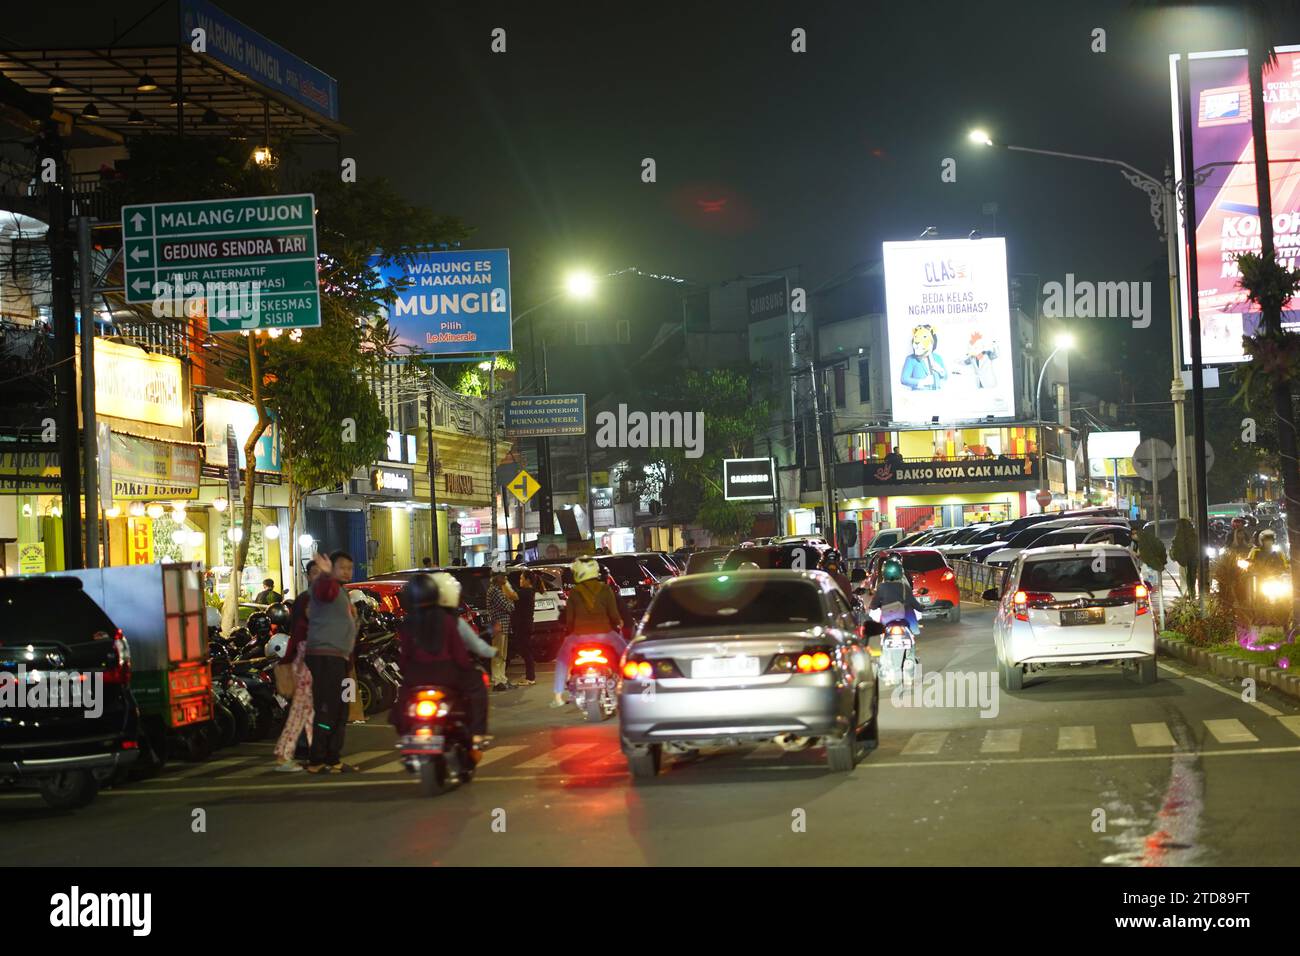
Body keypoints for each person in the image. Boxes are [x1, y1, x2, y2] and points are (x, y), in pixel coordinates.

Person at [392, 573, 491, 746]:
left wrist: (408, 676)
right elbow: (459, 654)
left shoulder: (407, 623)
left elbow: (404, 657)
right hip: (446, 674)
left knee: (401, 703)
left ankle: (405, 736)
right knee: (478, 686)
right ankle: (477, 733)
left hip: (416, 676)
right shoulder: (447, 620)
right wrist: (467, 669)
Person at [305, 550, 359, 774]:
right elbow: (325, 592)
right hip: (325, 657)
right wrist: (327, 575)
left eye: (349, 567)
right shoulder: (324, 587)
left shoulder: (342, 591)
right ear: (331, 568)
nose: (347, 571)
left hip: (340, 658)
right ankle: (317, 759)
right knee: (327, 709)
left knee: (340, 709)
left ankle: (332, 758)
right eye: (342, 567)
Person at [552, 555, 626, 708]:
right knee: (626, 654)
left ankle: (558, 695)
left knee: (562, 659)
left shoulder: (574, 593)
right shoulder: (605, 589)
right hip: (605, 635)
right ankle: (628, 685)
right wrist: (618, 623)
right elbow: (613, 614)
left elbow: (570, 619)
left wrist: (570, 632)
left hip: (579, 637)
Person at [273, 562, 320, 772]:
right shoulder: (305, 603)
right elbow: (296, 638)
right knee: (301, 710)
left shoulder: (322, 599)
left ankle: (314, 752)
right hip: (304, 664)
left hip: (311, 661)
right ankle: (286, 754)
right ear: (308, 575)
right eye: (314, 573)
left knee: (307, 710)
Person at [870, 556, 923, 632]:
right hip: (906, 617)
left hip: (887, 617)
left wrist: (873, 607)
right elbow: (913, 602)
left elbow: (874, 604)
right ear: (900, 572)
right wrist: (920, 608)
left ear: (884, 572)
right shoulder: (905, 586)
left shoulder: (881, 587)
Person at [485, 572, 516, 691]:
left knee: (503, 654)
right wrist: (510, 601)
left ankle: (502, 678)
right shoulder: (495, 591)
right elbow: (509, 607)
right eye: (503, 576)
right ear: (497, 578)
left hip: (503, 625)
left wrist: (509, 601)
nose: (506, 578)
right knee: (498, 654)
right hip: (498, 625)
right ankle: (497, 680)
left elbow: (509, 605)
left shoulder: (498, 590)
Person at [510, 570, 540, 686]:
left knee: (526, 651)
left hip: (524, 625)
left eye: (522, 579)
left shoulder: (526, 592)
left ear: (528, 580)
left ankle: (530, 677)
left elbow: (513, 596)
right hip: (523, 625)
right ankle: (529, 676)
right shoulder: (527, 591)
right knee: (525, 650)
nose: (520, 581)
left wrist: (505, 584)